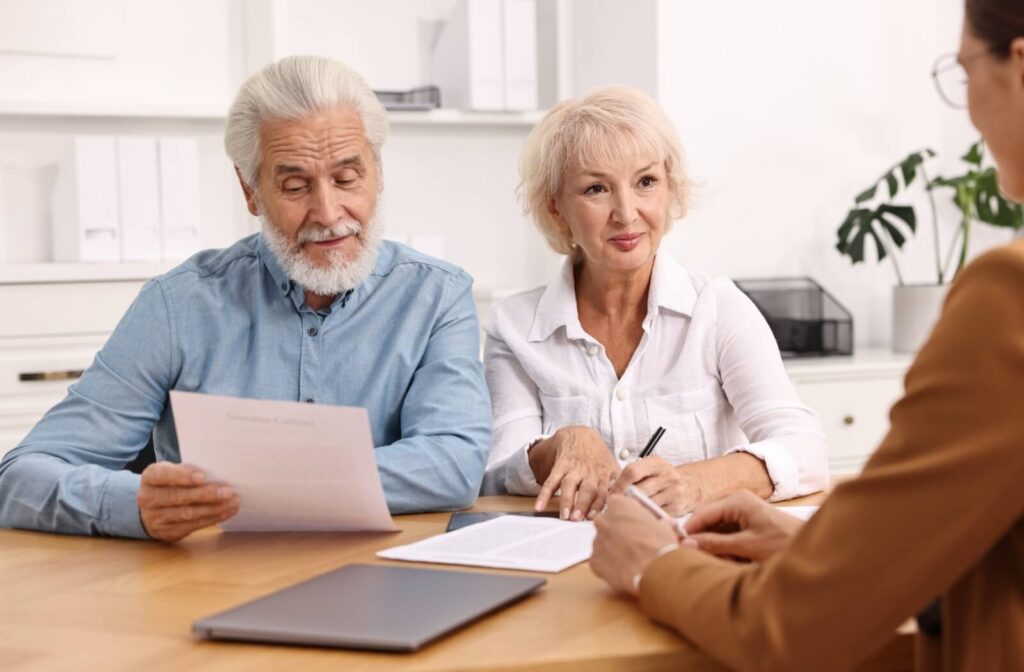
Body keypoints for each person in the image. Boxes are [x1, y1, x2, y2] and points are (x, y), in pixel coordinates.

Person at [590, 1, 1024, 669]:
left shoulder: (1008, 298)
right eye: (596, 188)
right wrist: (814, 546)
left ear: (1017, 69)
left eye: (963, 72)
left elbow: (790, 632)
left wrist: (654, 566)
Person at [0, 56, 492, 543]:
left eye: (347, 179)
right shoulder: (179, 305)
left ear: (377, 174)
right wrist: (134, 504)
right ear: (250, 190)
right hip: (206, 583)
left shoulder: (436, 296)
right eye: (295, 185)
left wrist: (261, 479)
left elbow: (453, 463)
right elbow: (19, 476)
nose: (328, 211)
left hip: (389, 581)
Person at [481, 86, 827, 521]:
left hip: (699, 557)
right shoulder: (513, 327)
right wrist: (561, 444)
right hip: (569, 559)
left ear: (670, 188)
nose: (626, 213)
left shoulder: (718, 308)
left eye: (646, 182)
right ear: (555, 209)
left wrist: (695, 482)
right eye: (595, 189)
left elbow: (804, 449)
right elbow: (496, 469)